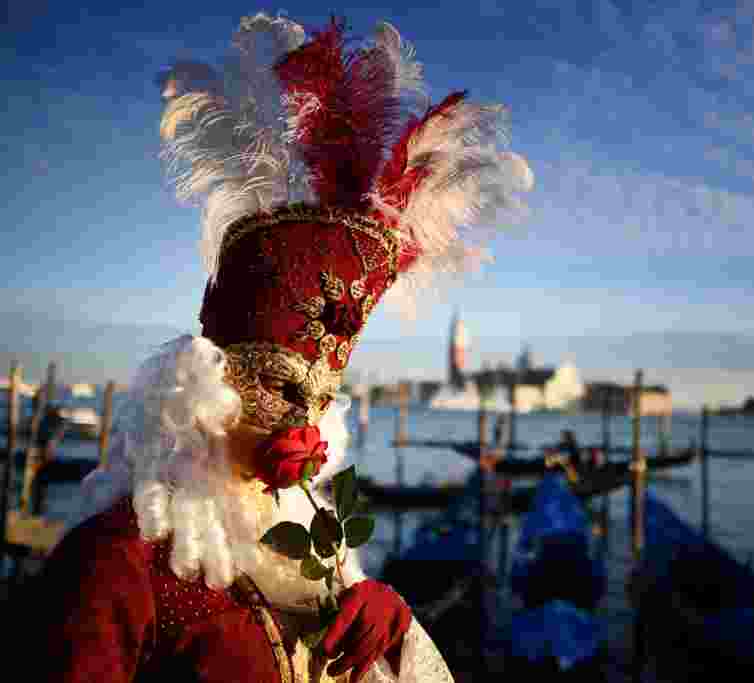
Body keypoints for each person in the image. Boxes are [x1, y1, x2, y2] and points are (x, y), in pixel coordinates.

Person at [18, 11, 531, 683]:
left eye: (318, 402)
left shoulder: (306, 564)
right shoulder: (118, 565)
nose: (303, 429)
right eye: (285, 388)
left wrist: (395, 639)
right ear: (207, 389)